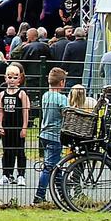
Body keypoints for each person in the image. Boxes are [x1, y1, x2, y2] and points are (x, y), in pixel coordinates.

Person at [33, 67, 69, 205]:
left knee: (56, 166)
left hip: (44, 133)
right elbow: (66, 115)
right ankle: (39, 194)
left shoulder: (45, 95)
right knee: (49, 167)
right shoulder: (62, 98)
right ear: (62, 83)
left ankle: (62, 194)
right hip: (55, 135)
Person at [0, 63, 31, 186]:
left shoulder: (21, 94)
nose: (12, 80)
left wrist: (24, 127)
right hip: (6, 126)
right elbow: (1, 110)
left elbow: (25, 111)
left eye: (15, 77)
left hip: (17, 125)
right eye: (9, 77)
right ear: (5, 78)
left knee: (20, 150)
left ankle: (21, 175)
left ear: (19, 79)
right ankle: (6, 174)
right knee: (6, 150)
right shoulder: (2, 93)